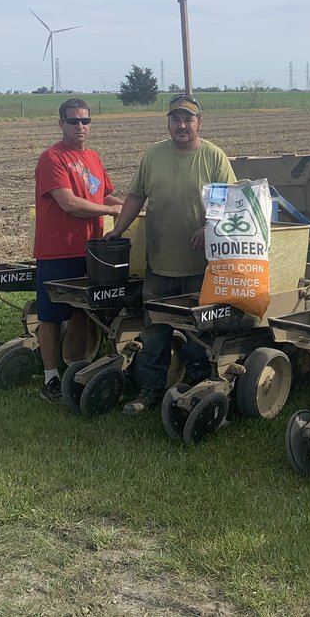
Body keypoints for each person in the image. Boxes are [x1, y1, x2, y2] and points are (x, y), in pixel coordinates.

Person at [106, 93, 236, 415]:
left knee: (196, 334)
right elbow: (136, 196)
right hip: (160, 264)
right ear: (168, 122)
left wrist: (210, 227)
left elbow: (232, 199)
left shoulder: (214, 157)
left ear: (199, 123)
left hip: (199, 266)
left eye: (188, 119)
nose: (181, 125)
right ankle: (150, 390)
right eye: (176, 119)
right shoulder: (154, 155)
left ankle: (196, 391)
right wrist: (118, 230)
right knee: (154, 332)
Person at [33, 98, 123, 402]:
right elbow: (69, 203)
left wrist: (130, 207)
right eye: (73, 121)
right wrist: (110, 213)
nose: (80, 126)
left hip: (91, 251)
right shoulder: (52, 158)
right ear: (61, 124)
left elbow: (107, 196)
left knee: (85, 312)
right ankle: (50, 377)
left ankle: (79, 365)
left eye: (85, 121)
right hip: (58, 252)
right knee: (51, 316)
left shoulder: (93, 158)